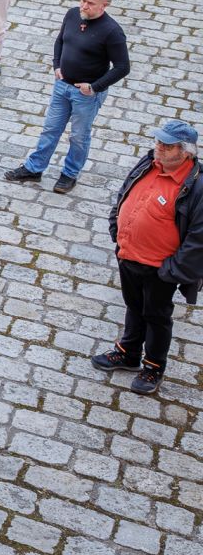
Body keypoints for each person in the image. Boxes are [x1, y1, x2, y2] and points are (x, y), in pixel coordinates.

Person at [90, 120, 203, 397]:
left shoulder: (197, 186)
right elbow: (125, 191)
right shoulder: (149, 162)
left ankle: (153, 366)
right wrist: (116, 225)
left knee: (156, 315)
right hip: (128, 254)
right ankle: (128, 353)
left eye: (167, 145)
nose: (159, 147)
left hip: (159, 267)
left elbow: (199, 237)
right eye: (158, 141)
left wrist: (173, 271)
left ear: (185, 152)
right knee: (134, 305)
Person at [5, 0, 131, 193]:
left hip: (86, 94)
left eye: (90, 3)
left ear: (104, 5)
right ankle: (34, 168)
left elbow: (122, 67)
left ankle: (70, 174)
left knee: (79, 136)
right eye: (83, 0)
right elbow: (60, 40)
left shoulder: (112, 31)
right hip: (62, 85)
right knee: (50, 129)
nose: (84, 6)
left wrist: (94, 87)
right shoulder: (73, 14)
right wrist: (56, 65)